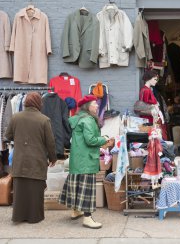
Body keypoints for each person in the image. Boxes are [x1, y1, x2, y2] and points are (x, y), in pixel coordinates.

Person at [4, 92, 57, 223]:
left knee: (20, 190)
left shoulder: (16, 117)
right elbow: (50, 142)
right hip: (37, 160)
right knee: (35, 190)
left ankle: (18, 216)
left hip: (20, 159)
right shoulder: (44, 119)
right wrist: (53, 158)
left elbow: (8, 136)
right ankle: (34, 217)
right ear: (39, 103)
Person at [59, 95, 110, 229]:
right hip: (87, 159)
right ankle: (87, 218)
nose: (97, 105)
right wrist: (104, 138)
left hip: (77, 158)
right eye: (95, 103)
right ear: (88, 106)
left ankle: (76, 210)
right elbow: (91, 140)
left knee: (77, 186)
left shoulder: (78, 119)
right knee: (87, 190)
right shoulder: (88, 120)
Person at [139, 70, 167, 140]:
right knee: (154, 138)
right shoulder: (146, 90)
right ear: (149, 79)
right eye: (154, 79)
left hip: (150, 118)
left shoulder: (145, 89)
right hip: (150, 119)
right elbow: (145, 106)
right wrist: (155, 104)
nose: (156, 81)